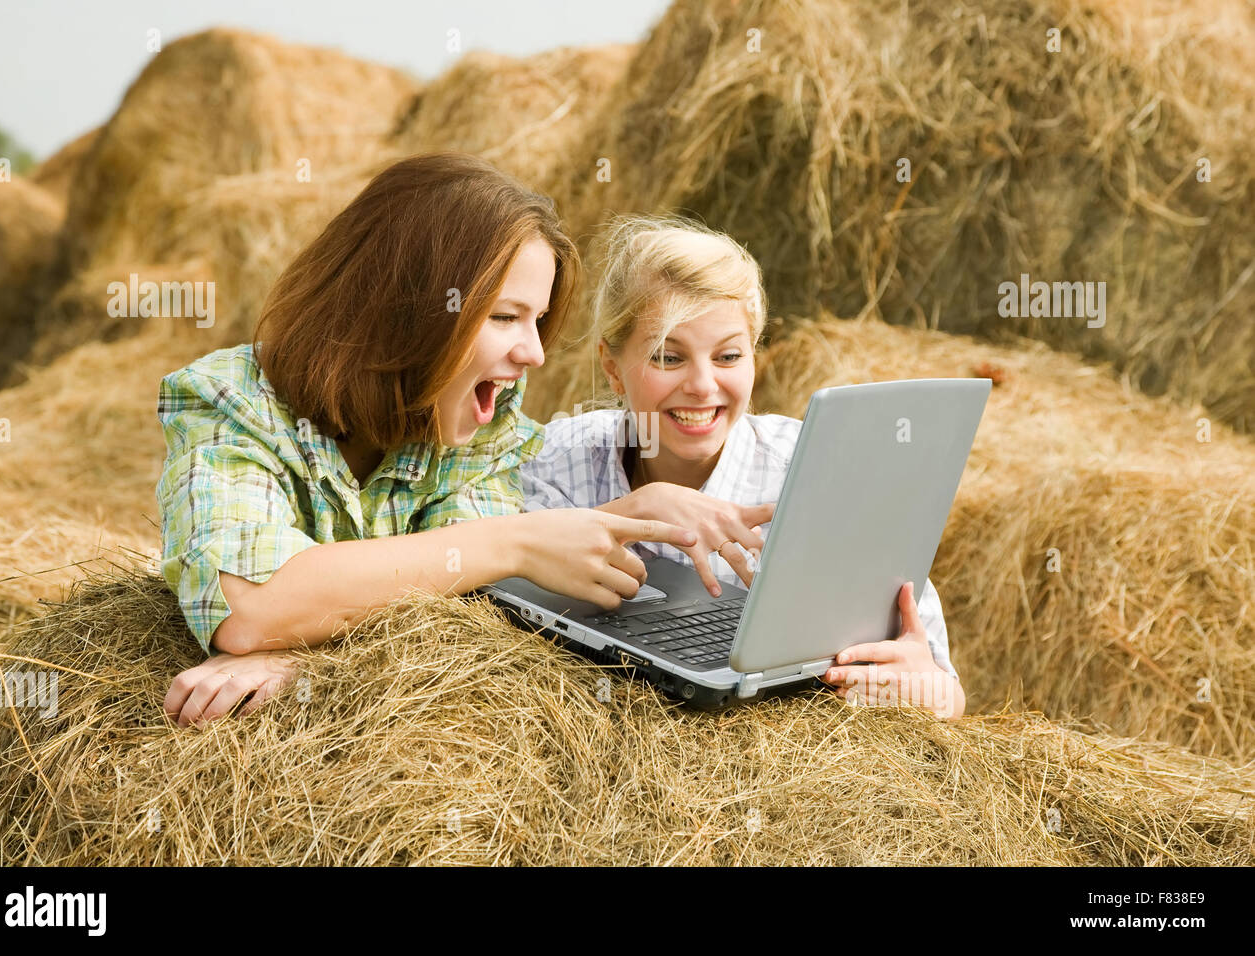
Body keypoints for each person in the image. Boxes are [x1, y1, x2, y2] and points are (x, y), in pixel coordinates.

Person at [157, 154, 694, 727]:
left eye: (536, 320)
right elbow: (250, 602)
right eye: (506, 317)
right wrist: (515, 544)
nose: (533, 353)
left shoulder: (485, 414)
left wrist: (300, 647)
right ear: (405, 309)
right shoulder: (226, 399)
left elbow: (470, 612)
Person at [519, 215, 966, 719]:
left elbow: (944, 691)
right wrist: (635, 509)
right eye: (669, 358)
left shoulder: (822, 474)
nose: (704, 386)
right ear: (611, 367)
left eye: (728, 356)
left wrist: (925, 687)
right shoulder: (558, 458)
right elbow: (490, 579)